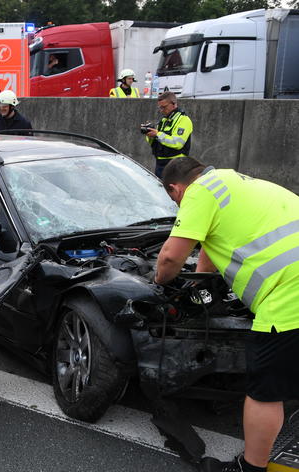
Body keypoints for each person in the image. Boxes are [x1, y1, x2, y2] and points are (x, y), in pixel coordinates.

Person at [154, 157, 299, 472]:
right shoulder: (233, 180)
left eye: (175, 200)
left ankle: (251, 467)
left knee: (265, 392)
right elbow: (209, 247)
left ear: (175, 189)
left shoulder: (197, 192)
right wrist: (197, 281)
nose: (180, 205)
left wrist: (160, 283)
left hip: (290, 293)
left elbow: (169, 257)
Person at [143, 91, 193, 178]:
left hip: (176, 165)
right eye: (160, 107)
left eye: (164, 107)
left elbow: (177, 143)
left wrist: (157, 134)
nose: (162, 110)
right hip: (160, 164)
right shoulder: (164, 120)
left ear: (173, 104)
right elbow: (156, 143)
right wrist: (150, 135)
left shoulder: (184, 120)